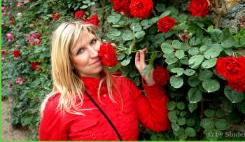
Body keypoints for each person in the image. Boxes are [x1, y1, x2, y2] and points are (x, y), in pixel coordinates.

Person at [39, 21, 170, 140]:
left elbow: (159, 123)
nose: (94, 53)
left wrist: (149, 79)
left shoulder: (123, 86)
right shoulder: (59, 107)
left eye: (93, 42)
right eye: (80, 51)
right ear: (69, 62)